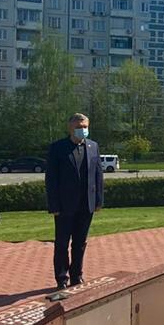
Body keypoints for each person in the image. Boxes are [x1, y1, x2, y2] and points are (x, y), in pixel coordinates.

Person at [45, 113, 104, 290]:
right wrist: (53, 205)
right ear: (70, 128)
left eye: (85, 127)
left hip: (86, 204)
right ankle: (61, 278)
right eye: (79, 127)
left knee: (80, 243)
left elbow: (98, 175)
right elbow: (51, 179)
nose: (82, 130)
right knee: (62, 243)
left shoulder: (93, 146)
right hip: (64, 205)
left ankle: (76, 275)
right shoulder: (57, 148)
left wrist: (98, 201)